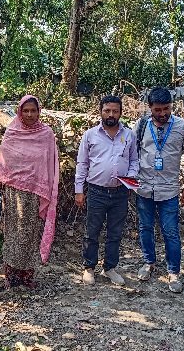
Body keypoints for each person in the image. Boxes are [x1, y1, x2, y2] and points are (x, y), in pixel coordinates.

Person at [0, 95, 60, 289]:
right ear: (19, 111)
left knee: (30, 235)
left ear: (39, 112)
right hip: (13, 194)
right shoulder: (12, 132)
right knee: (13, 234)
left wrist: (49, 193)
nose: (29, 114)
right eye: (25, 110)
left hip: (35, 193)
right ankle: (11, 277)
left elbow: (51, 166)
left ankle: (27, 277)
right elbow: (1, 168)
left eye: (33, 110)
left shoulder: (46, 135)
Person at [133, 87, 184, 293]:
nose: (162, 114)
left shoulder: (183, 127)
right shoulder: (142, 124)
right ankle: (149, 262)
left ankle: (174, 272)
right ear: (150, 108)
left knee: (170, 232)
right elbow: (133, 153)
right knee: (145, 228)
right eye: (158, 110)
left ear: (172, 106)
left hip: (169, 190)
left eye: (166, 109)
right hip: (144, 188)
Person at [75, 95, 139, 286]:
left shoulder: (129, 135)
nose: (111, 114)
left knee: (115, 232)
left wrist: (131, 177)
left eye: (115, 111)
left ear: (121, 113)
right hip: (96, 191)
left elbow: (134, 160)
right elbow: (82, 163)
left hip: (120, 193)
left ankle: (110, 267)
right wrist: (79, 190)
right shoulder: (90, 135)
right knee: (92, 231)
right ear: (100, 111)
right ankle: (89, 268)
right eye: (107, 110)